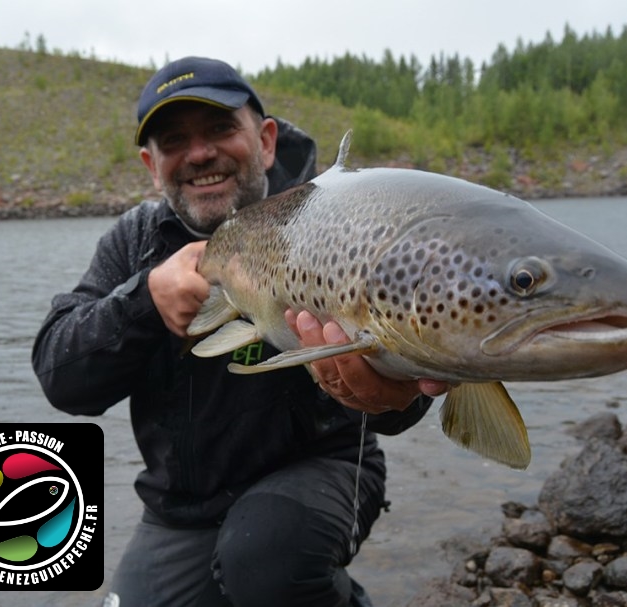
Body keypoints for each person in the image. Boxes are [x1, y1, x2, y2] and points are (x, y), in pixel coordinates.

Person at [32, 56, 446, 607]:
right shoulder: (132, 243)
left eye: (222, 129)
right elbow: (61, 377)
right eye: (175, 140)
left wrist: (398, 397)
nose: (200, 153)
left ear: (266, 139)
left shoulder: (335, 219)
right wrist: (145, 301)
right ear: (151, 165)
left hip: (325, 470)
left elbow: (408, 362)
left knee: (264, 560)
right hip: (181, 508)